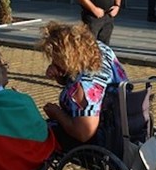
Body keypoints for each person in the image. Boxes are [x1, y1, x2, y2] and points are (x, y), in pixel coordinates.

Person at [39, 21, 128, 150]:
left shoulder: (85, 86)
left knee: (41, 131)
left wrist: (57, 114)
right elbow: (74, 79)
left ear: (66, 57)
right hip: (122, 121)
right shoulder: (101, 49)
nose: (52, 61)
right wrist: (60, 75)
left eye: (55, 58)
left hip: (103, 137)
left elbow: (84, 133)